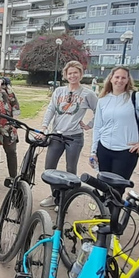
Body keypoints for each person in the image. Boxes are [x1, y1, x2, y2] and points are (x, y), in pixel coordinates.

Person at [38, 61, 98, 207]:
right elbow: (51, 109)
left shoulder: (87, 94)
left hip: (74, 137)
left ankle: (65, 200)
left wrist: (89, 125)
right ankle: (55, 196)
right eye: (70, 73)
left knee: (70, 170)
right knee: (49, 167)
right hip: (57, 135)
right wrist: (44, 126)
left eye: (75, 72)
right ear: (65, 75)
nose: (72, 76)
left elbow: (100, 112)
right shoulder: (59, 92)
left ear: (80, 74)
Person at [89, 66, 139, 180]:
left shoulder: (135, 97)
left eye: (123, 77)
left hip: (125, 152)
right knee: (103, 187)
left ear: (128, 80)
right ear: (111, 79)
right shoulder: (103, 100)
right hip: (104, 149)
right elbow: (98, 126)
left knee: (117, 190)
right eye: (117, 77)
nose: (120, 80)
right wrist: (93, 151)